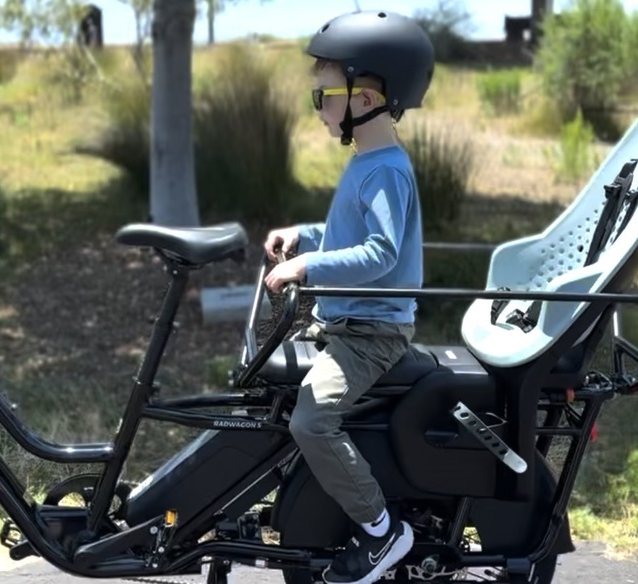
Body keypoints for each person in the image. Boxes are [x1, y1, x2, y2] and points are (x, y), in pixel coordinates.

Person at [262, 9, 435, 584]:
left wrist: (307, 266)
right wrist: (304, 236)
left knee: (312, 422)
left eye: (323, 96)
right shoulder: (369, 162)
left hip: (370, 335)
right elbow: (349, 236)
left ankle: (382, 531)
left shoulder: (385, 170)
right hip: (345, 324)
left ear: (363, 99)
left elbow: (380, 253)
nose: (317, 106)